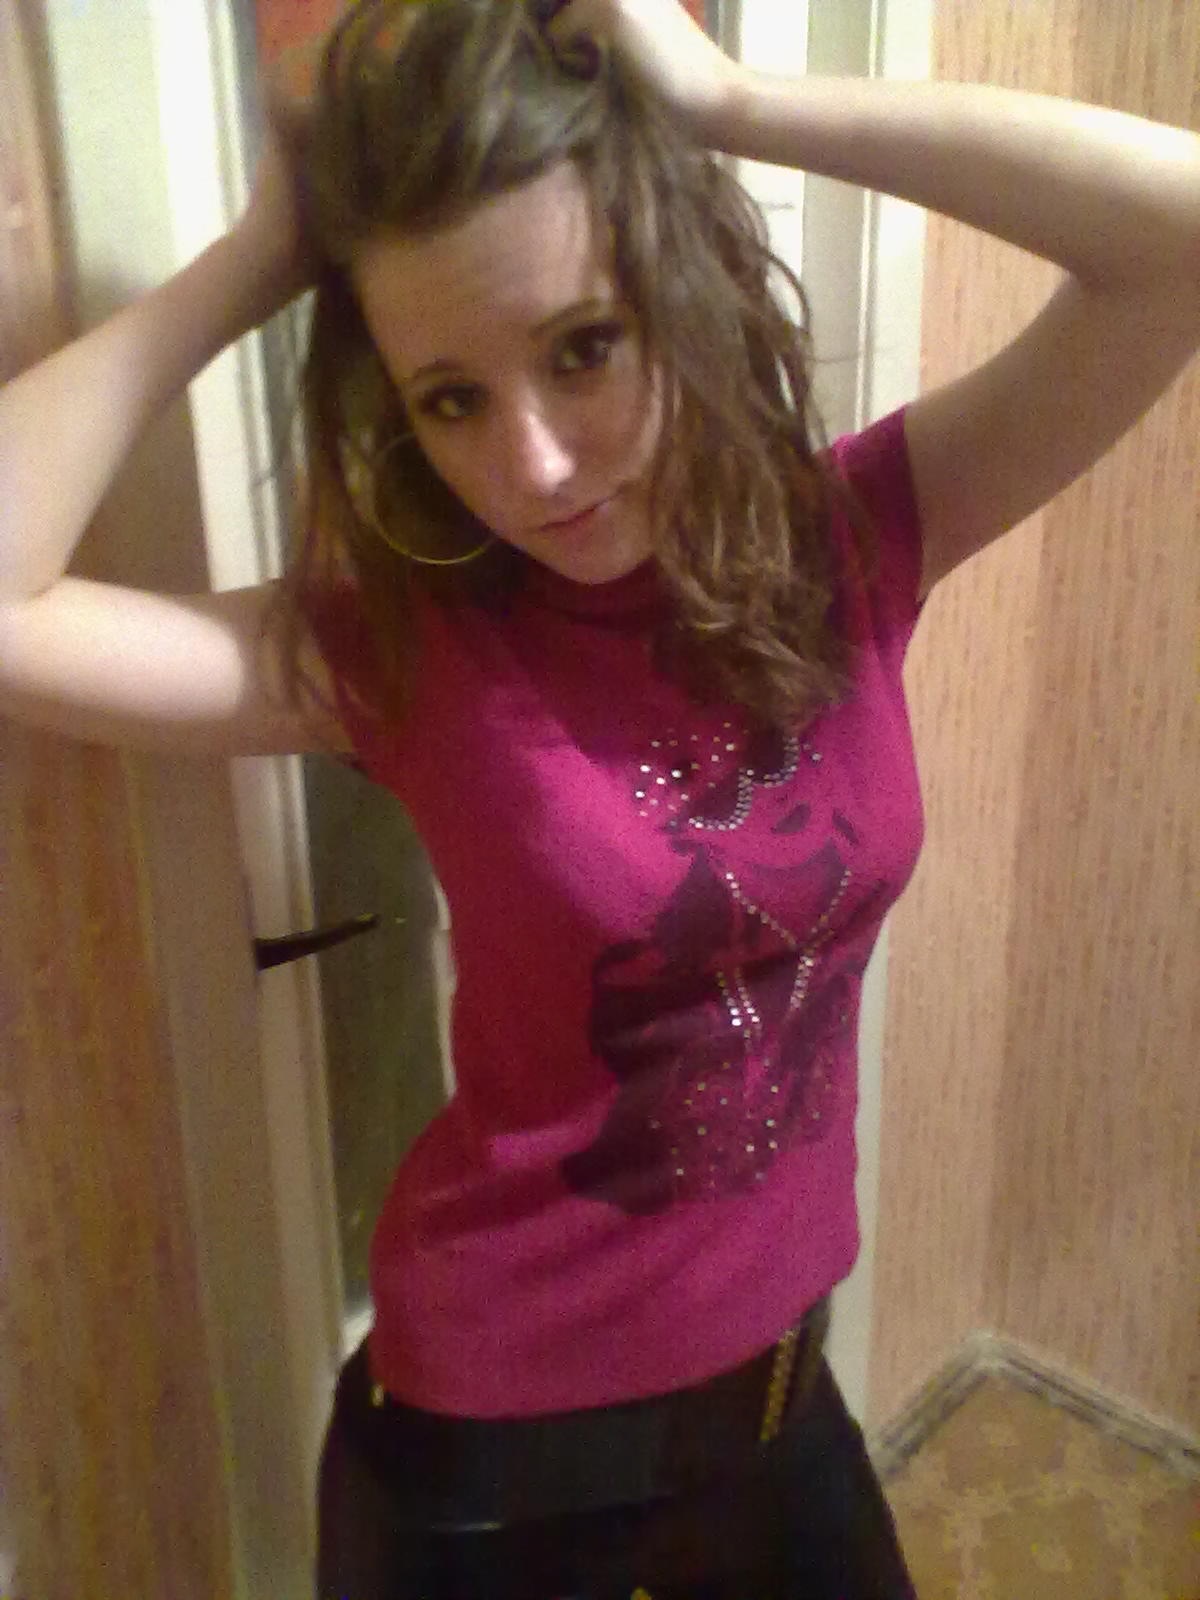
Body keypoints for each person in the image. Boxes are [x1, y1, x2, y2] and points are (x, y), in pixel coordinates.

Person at [2, 0, 1198, 1594]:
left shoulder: (852, 541)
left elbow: (1174, 243)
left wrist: (732, 101)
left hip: (777, 1402)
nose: (539, 465)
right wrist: (261, 255)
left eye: (583, 347)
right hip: (493, 1469)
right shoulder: (411, 657)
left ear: (675, 294)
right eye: (451, 397)